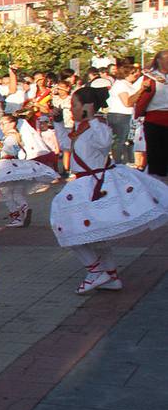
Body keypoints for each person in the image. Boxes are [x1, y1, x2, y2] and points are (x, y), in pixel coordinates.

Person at [50, 86, 168, 293]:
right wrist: (58, 123)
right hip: (83, 185)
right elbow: (66, 145)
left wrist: (93, 118)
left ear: (88, 106)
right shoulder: (81, 128)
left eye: (74, 105)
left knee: (69, 228)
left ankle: (96, 272)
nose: (71, 109)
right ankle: (110, 276)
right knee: (94, 233)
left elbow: (105, 144)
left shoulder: (98, 126)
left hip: (95, 185)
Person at [0, 117, 58, 227]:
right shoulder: (13, 135)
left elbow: (11, 150)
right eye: (1, 124)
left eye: (4, 123)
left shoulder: (11, 136)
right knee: (15, 192)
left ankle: (17, 216)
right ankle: (24, 209)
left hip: (7, 167)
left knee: (6, 193)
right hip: (15, 167)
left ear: (13, 124)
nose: (2, 126)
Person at [106, 59, 138, 166]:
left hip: (126, 115)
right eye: (133, 73)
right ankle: (117, 163)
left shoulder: (128, 84)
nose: (136, 75)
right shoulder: (121, 85)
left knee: (125, 140)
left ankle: (125, 161)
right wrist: (140, 91)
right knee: (119, 141)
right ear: (126, 74)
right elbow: (127, 102)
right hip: (120, 115)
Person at [142, 50, 168, 179]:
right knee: (155, 153)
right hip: (154, 119)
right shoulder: (150, 76)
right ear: (159, 61)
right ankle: (156, 182)